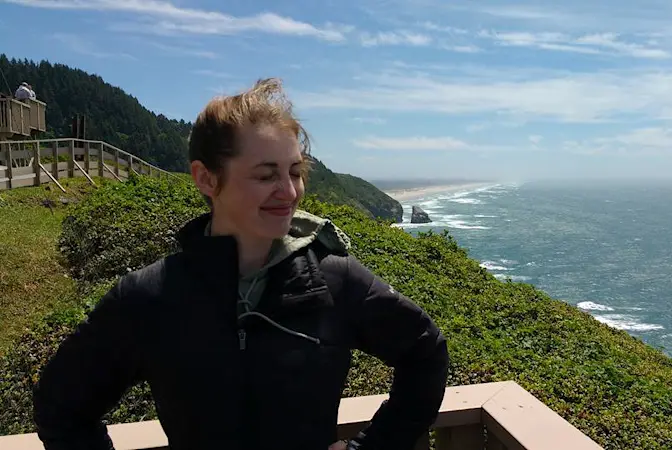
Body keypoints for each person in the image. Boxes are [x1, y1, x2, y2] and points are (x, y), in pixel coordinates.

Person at [32, 78, 450, 450]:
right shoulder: (149, 297)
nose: (289, 192)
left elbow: (425, 353)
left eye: (295, 172)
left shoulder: (335, 280)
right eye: (266, 175)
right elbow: (61, 408)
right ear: (207, 179)